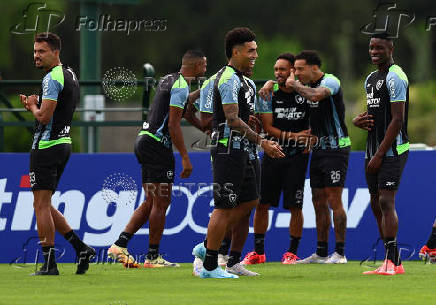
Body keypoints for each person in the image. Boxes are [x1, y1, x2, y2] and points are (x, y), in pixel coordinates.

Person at [192, 27, 284, 279]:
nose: (256, 55)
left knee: (250, 201)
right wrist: (263, 142)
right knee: (224, 206)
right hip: (228, 149)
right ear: (236, 52)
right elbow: (231, 119)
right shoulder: (227, 78)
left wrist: (252, 128)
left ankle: (229, 260)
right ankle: (210, 265)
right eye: (251, 51)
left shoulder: (244, 81)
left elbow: (240, 117)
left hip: (246, 149)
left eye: (256, 50)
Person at [107, 50, 207, 268]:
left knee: (151, 201)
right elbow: (173, 125)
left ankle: (119, 245)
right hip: (157, 146)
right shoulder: (180, 85)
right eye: (204, 65)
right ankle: (152, 257)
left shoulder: (170, 80)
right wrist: (185, 157)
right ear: (197, 65)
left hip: (144, 140)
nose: (206, 70)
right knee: (162, 201)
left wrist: (202, 101)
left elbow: (186, 111)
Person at [19, 32, 95, 275]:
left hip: (46, 147)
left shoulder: (52, 78)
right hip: (63, 142)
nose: (36, 56)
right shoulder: (70, 73)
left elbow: (44, 116)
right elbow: (57, 108)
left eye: (41, 51)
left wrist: (32, 105)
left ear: (55, 52)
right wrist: (36, 103)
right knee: (45, 203)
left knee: (40, 205)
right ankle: (81, 248)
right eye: (34, 51)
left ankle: (49, 264)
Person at [242, 53, 314, 265]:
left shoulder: (306, 92)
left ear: (294, 70)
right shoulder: (268, 93)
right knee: (262, 204)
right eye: (276, 70)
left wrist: (309, 137)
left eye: (282, 69)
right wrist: (295, 136)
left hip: (297, 157)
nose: (277, 73)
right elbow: (268, 128)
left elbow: (317, 118)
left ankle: (291, 253)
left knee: (295, 207)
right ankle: (259, 252)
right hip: (273, 154)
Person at [284, 50, 350, 264]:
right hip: (319, 150)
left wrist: (294, 85)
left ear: (314, 68)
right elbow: (279, 85)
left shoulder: (331, 81)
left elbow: (315, 96)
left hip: (336, 149)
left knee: (334, 199)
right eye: (294, 70)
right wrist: (268, 85)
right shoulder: (305, 85)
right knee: (317, 201)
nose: (296, 73)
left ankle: (340, 253)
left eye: (300, 69)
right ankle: (321, 253)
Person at [354, 33, 409, 275]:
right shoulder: (370, 79)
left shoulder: (396, 76)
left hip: (392, 149)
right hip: (372, 149)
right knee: (376, 203)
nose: (374, 51)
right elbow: (374, 114)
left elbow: (397, 120)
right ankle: (392, 260)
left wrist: (379, 155)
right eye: (371, 48)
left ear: (391, 48)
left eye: (379, 47)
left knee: (386, 201)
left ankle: (393, 262)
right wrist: (359, 120)